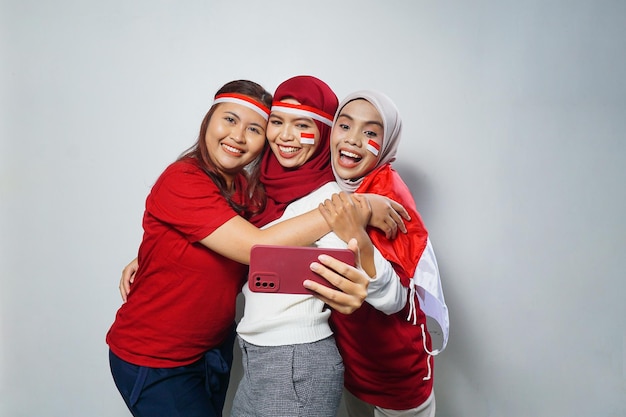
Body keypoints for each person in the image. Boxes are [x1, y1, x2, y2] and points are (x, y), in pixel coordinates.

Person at [106, 80, 379, 417]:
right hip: (155, 357)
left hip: (213, 351)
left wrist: (151, 251)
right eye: (230, 120)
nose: (238, 136)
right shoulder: (183, 179)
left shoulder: (248, 190)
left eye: (255, 128)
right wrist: (354, 206)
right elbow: (256, 247)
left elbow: (241, 234)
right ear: (209, 120)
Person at [230, 76, 410, 417]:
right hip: (256, 356)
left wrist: (362, 213)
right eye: (278, 122)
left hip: (296, 362)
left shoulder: (330, 201)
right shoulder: (259, 190)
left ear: (325, 132)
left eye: (302, 125)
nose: (285, 136)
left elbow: (392, 294)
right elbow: (231, 240)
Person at [319, 90, 450, 417]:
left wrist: (357, 234)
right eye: (345, 126)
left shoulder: (388, 197)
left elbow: (393, 299)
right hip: (353, 363)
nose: (353, 140)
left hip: (395, 372)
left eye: (370, 132)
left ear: (388, 140)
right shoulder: (337, 184)